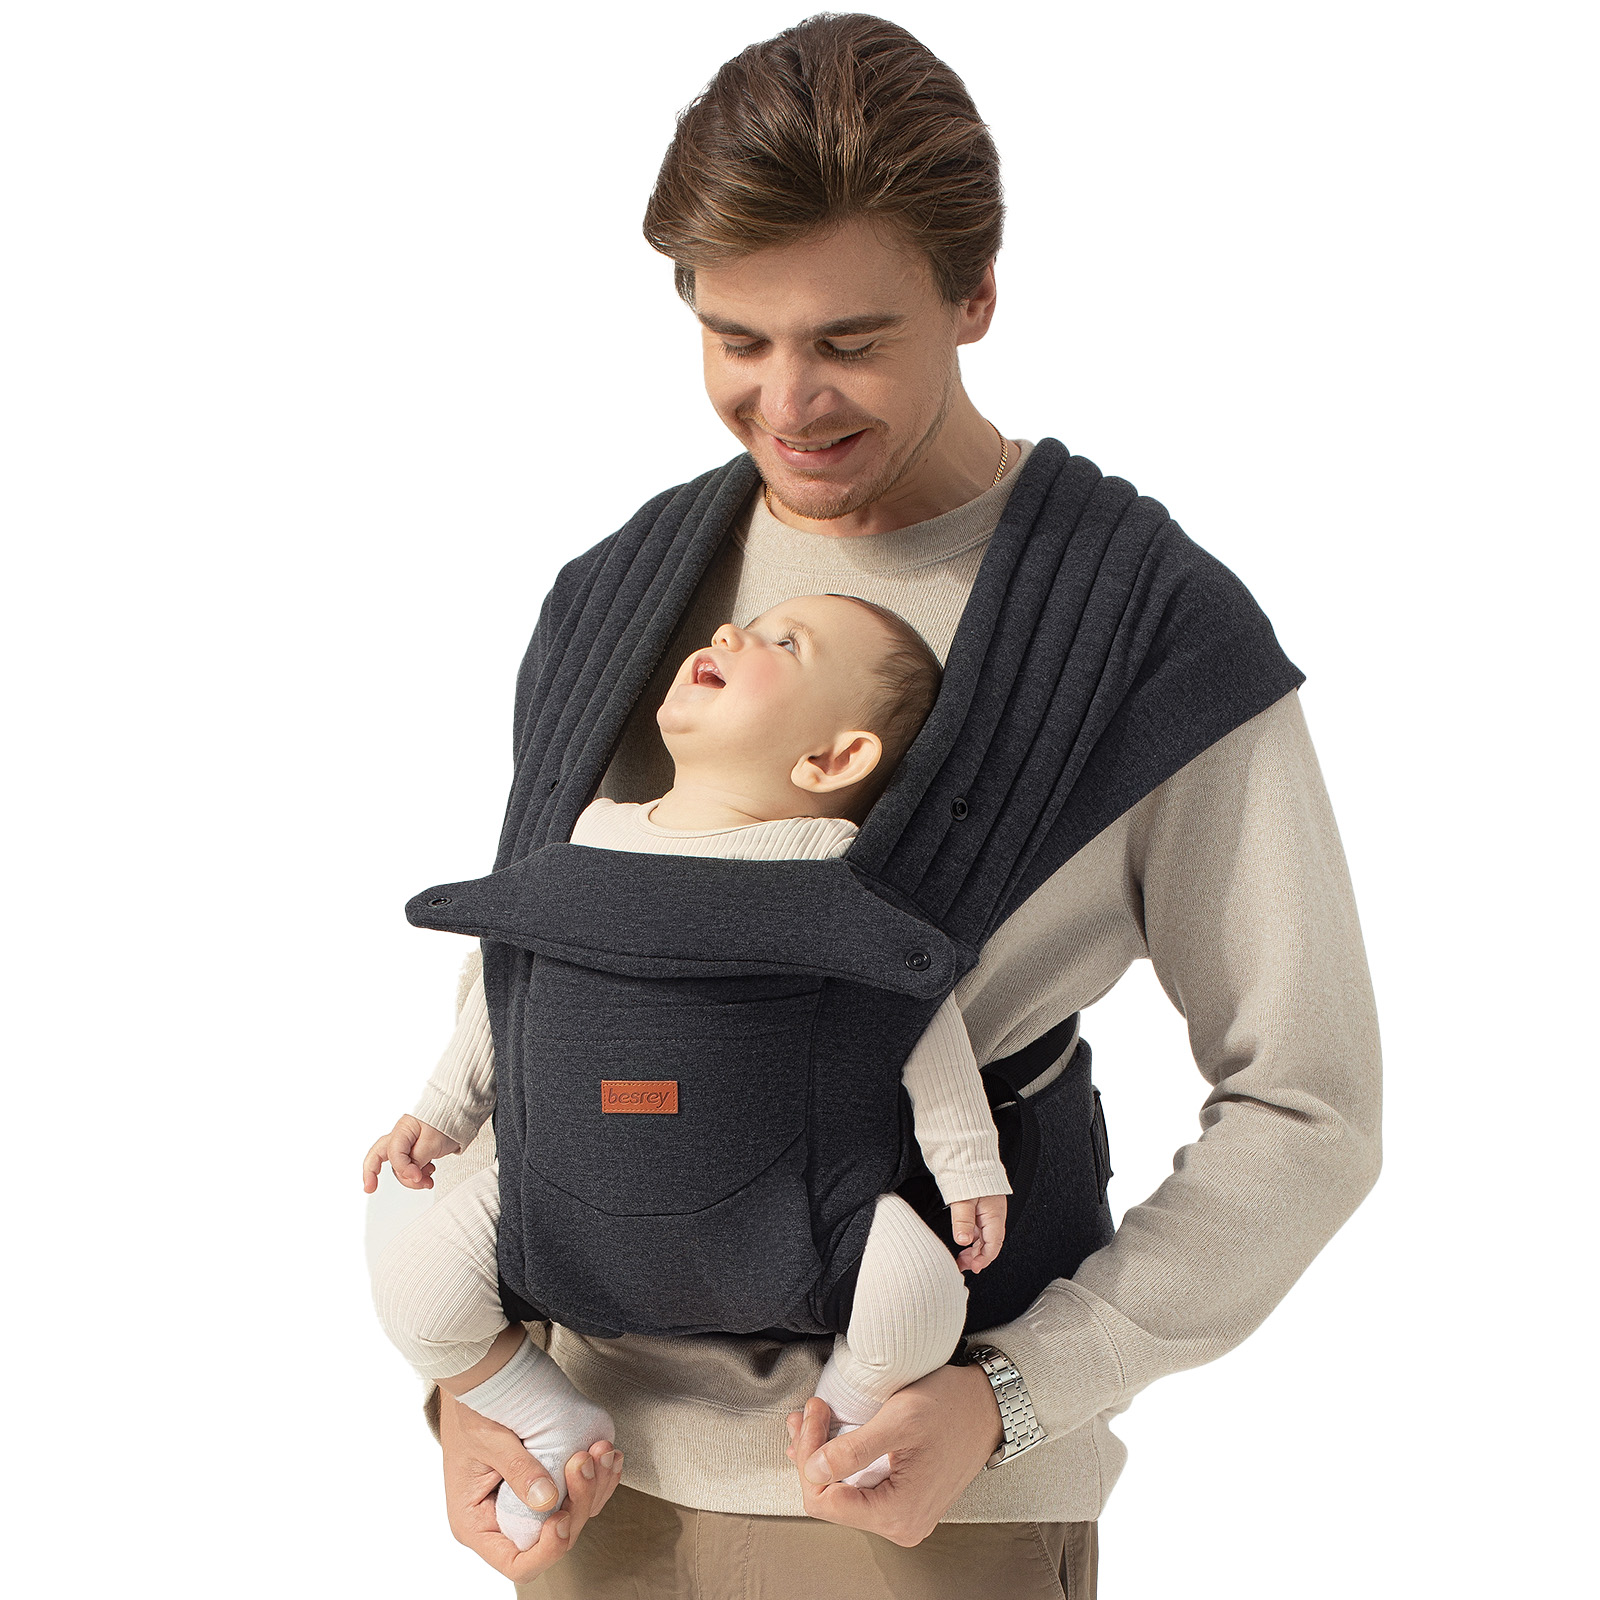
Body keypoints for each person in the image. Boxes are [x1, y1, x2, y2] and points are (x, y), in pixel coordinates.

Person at [399, 15, 1382, 1598]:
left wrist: (1012, 1400)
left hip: (918, 1509)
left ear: (976, 295)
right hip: (583, 1489)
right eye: (736, 338)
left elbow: (1310, 1108)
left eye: (849, 342)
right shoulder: (619, 597)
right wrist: (467, 1388)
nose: (787, 401)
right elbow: (542, 988)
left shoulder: (1142, 632)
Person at [364, 592, 1013, 1549]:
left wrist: (969, 1166)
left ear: (832, 760)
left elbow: (917, 1015)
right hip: (557, 1208)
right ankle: (544, 1413)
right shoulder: (588, 835)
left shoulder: (829, 872)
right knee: (414, 1296)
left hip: (796, 1220)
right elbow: (512, 991)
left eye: (785, 642)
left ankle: (843, 1410)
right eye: (740, 627)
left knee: (922, 1297)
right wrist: (442, 1113)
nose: (728, 632)